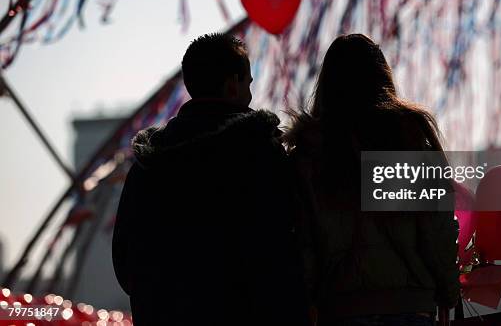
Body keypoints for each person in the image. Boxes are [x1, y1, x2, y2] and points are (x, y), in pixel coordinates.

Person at [112, 33, 308, 325]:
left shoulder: (151, 160)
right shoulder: (260, 152)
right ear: (232, 85)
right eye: (248, 83)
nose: (250, 95)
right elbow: (289, 240)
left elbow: (125, 259)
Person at [285, 34, 460, 326]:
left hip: (340, 309)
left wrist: (308, 303)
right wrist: (448, 292)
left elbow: (305, 244)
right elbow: (435, 230)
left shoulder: (309, 155)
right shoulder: (408, 140)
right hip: (411, 306)